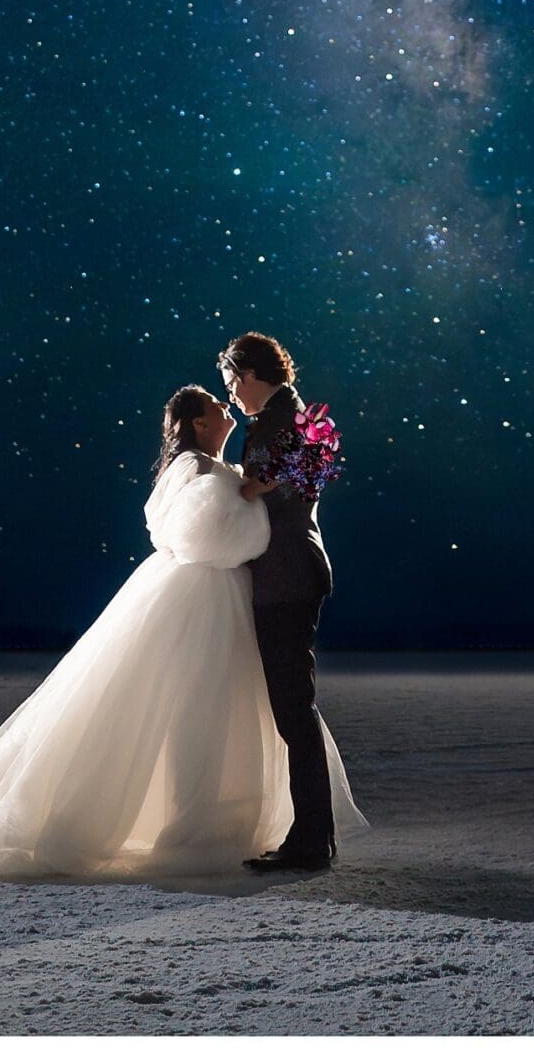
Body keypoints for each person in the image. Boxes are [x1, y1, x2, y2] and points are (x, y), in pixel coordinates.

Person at [0, 384, 364, 880]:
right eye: (217, 403)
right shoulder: (198, 468)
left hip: (221, 593)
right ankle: (190, 822)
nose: (226, 404)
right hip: (202, 596)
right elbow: (198, 534)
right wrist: (250, 507)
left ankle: (224, 819)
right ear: (199, 423)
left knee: (223, 704)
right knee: (194, 703)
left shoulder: (220, 468)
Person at [220, 331, 339, 871]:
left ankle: (311, 841)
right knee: (294, 709)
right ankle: (313, 836)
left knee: (293, 709)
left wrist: (237, 483)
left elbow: (262, 486)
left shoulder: (276, 422)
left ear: (247, 374)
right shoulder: (298, 417)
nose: (230, 397)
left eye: (230, 383)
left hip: (287, 575)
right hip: (296, 569)